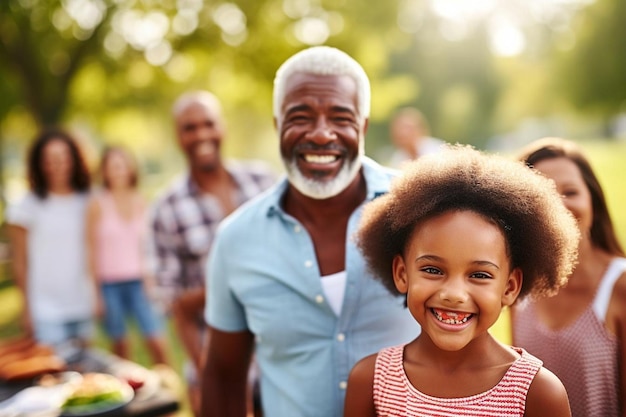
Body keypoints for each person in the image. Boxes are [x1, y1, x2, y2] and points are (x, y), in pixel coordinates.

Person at [201, 46, 420, 417]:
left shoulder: (419, 210)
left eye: (340, 117)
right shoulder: (236, 239)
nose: (321, 135)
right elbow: (224, 375)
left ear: (363, 126)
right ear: (277, 125)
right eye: (300, 116)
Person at [344, 145, 579, 417]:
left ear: (510, 287)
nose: (454, 294)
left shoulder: (538, 393)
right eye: (433, 270)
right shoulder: (372, 382)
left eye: (479, 275)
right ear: (402, 273)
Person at [151, 90, 276, 416]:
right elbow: (175, 305)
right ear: (178, 137)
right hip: (218, 355)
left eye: (208, 124)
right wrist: (206, 374)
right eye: (190, 128)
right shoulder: (167, 207)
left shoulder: (262, 182)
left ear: (223, 128)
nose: (201, 134)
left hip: (279, 352)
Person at [512, 137, 626, 417]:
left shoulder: (619, 286)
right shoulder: (518, 286)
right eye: (543, 196)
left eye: (571, 192)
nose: (559, 206)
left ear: (594, 203)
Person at [6, 127, 94, 350]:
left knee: (86, 378)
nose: (57, 165)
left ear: (74, 159)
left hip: (82, 304)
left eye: (63, 158)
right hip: (45, 310)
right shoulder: (25, 207)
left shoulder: (88, 201)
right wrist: (26, 310)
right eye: (50, 160)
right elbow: (19, 263)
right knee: (53, 378)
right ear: (39, 164)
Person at [86, 146, 169, 365]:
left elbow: (149, 246)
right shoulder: (97, 204)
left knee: (157, 342)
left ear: (130, 168)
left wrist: (152, 282)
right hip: (109, 285)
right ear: (104, 172)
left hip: (139, 282)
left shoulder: (141, 201)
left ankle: (171, 391)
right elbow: (90, 250)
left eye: (122, 166)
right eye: (113, 167)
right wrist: (95, 294)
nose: (118, 171)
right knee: (121, 348)